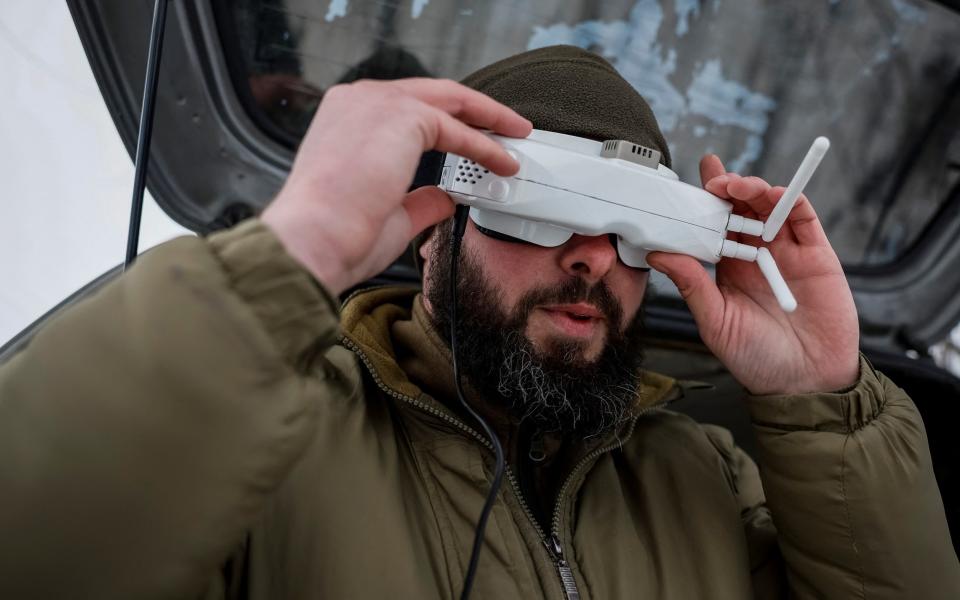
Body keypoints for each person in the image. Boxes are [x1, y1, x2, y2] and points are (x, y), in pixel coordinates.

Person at [0, 46, 956, 599]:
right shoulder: (273, 440)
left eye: (633, 229)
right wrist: (295, 250)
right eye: (537, 211)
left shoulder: (704, 478)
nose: (590, 256)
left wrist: (821, 395)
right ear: (436, 232)